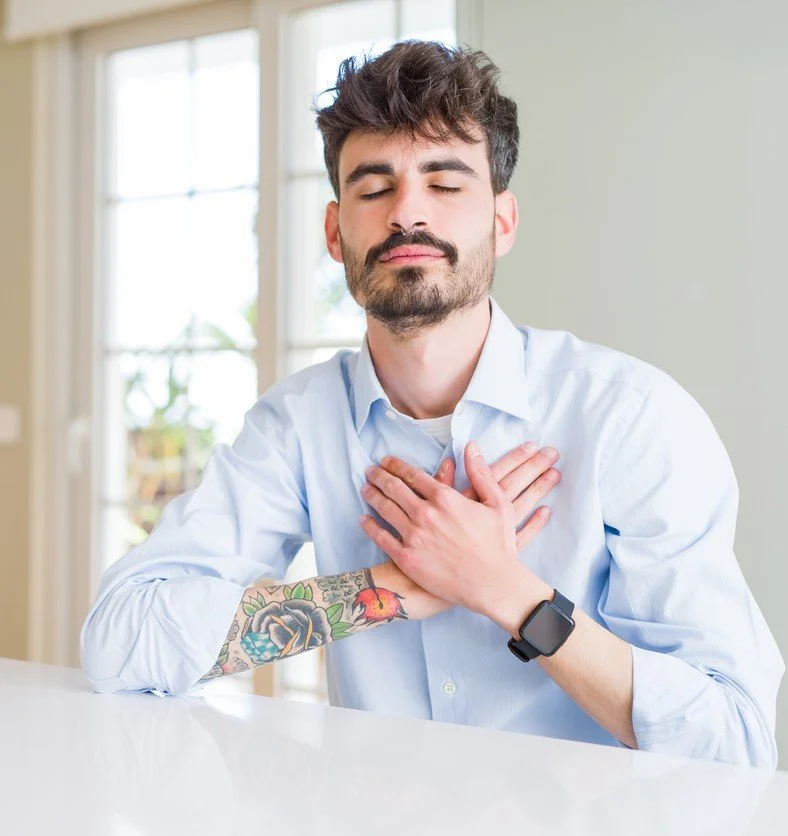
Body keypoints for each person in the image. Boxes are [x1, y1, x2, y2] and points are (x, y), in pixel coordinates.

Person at [81, 41, 783, 768]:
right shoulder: (298, 425)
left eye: (445, 184)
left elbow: (734, 743)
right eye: (374, 186)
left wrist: (507, 591)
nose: (407, 212)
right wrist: (384, 591)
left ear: (502, 223)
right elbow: (118, 643)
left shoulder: (631, 418)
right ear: (334, 231)